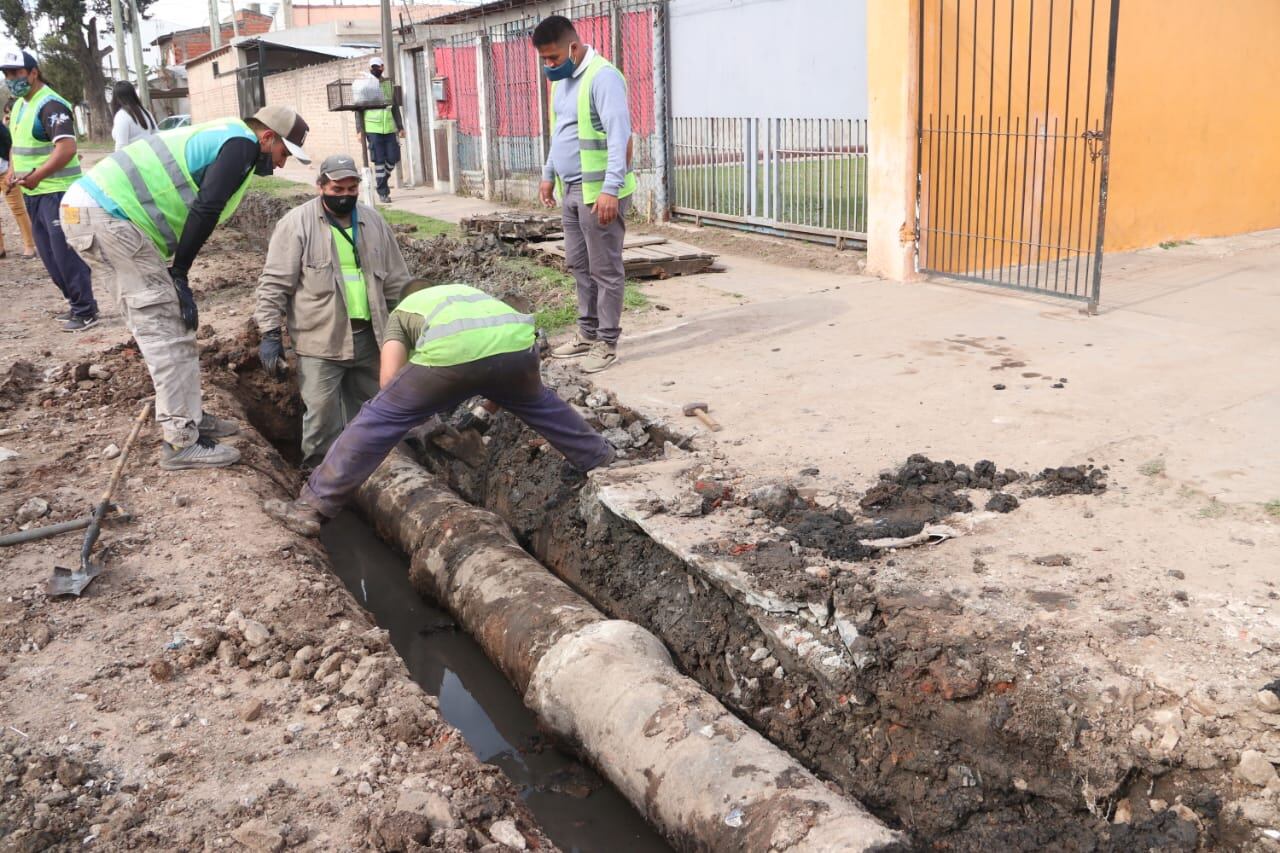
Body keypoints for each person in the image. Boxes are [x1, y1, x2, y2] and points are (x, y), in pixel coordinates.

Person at [60, 105, 312, 471]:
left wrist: (179, 273)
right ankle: (180, 440)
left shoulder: (228, 135)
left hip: (102, 214)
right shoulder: (241, 145)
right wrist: (179, 272)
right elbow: (207, 207)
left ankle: (189, 417)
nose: (281, 164)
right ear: (267, 137)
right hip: (105, 216)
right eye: (283, 154)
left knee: (174, 323)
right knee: (163, 326)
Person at [262, 280, 615, 536]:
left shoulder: (402, 314)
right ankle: (599, 458)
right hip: (518, 348)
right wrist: (476, 418)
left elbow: (389, 382)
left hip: (451, 356)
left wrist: (418, 418)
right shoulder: (467, 295)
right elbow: (497, 373)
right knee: (540, 405)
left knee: (375, 419)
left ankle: (311, 506)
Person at [255, 154, 412, 468]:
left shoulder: (373, 222)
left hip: (372, 338)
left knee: (379, 410)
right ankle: (318, 479)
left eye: (352, 188)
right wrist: (269, 332)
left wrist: (410, 326)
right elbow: (274, 283)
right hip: (321, 343)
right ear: (321, 186)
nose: (345, 195)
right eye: (337, 188)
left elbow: (396, 281)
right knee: (322, 418)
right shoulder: (297, 224)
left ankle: (384, 474)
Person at [534, 15, 636, 374]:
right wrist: (549, 174)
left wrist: (610, 188)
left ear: (573, 48)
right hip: (571, 188)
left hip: (598, 192)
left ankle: (607, 342)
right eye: (544, 59)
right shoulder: (561, 83)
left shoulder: (603, 77)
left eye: (553, 57)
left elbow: (619, 136)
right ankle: (587, 333)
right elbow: (559, 131)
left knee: (605, 268)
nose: (548, 65)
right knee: (578, 263)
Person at [1, 48, 99, 330]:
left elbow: (67, 148)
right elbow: (15, 146)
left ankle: (86, 309)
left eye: (17, 73)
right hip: (34, 194)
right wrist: (11, 171)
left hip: (58, 192)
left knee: (65, 254)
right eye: (7, 74)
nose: (12, 79)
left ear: (33, 73)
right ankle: (75, 304)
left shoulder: (51, 105)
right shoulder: (20, 104)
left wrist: (38, 175)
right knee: (49, 256)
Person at [355, 57, 403, 204]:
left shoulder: (388, 84)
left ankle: (381, 181)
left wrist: (400, 127)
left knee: (393, 157)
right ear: (370, 68)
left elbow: (394, 108)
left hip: (389, 128)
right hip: (372, 129)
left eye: (379, 66)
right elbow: (359, 110)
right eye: (374, 67)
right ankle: (383, 192)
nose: (377, 69)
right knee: (379, 161)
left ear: (382, 67)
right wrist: (359, 129)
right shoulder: (366, 85)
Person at [0, 101, 36, 259]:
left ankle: (30, 246)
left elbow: (11, 146)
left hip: (4, 172)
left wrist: (10, 170)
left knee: (18, 210)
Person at [110, 80, 157, 151]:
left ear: (116, 98)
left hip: (133, 159)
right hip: (150, 156)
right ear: (133, 94)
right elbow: (156, 134)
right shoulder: (146, 112)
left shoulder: (122, 115)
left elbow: (121, 145)